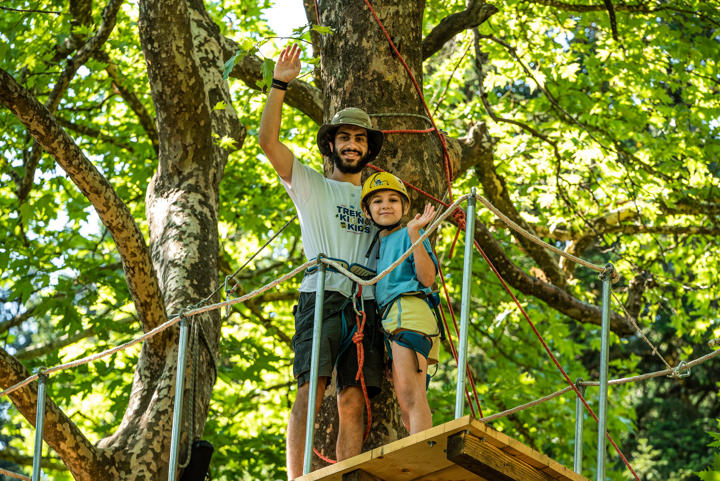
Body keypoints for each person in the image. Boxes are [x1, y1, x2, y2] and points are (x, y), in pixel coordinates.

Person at [257, 44, 385, 479]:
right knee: (311, 389)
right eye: (345, 137)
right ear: (331, 143)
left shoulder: (378, 198)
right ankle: (296, 478)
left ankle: (346, 476)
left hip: (365, 303)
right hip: (321, 294)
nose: (352, 145)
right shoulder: (310, 184)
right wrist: (280, 85)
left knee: (354, 398)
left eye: (360, 139)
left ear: (368, 149)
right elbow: (268, 143)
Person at [360, 171, 440, 435]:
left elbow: (427, 278)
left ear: (405, 207)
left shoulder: (409, 234)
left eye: (393, 200)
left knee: (412, 396)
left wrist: (415, 233)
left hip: (410, 314)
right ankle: (418, 452)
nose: (385, 205)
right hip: (394, 320)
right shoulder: (376, 246)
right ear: (367, 210)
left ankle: (422, 459)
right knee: (405, 403)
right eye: (378, 201)